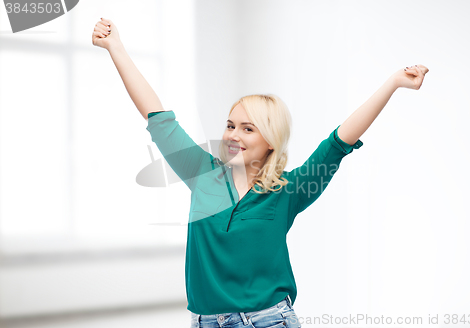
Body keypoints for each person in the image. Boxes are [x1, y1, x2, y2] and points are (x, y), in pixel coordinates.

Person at [92, 17, 429, 328]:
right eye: (229, 125)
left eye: (247, 129)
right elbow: (158, 117)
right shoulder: (202, 173)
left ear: (270, 140)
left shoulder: (289, 190)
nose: (232, 135)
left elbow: (339, 141)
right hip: (205, 322)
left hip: (269, 321)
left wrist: (394, 83)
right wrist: (116, 48)